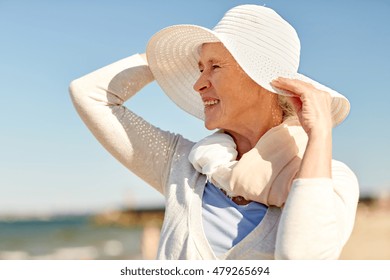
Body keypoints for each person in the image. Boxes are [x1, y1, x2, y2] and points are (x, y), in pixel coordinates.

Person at [69, 4, 359, 259]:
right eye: (198, 68)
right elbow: (88, 94)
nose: (198, 84)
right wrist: (159, 61)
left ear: (264, 81)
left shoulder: (331, 179)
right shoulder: (183, 166)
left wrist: (320, 133)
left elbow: (301, 258)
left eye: (215, 66)